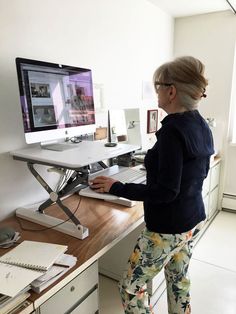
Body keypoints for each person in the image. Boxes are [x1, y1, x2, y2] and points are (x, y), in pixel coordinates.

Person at [89, 56, 214, 314]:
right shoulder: (200, 123)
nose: (155, 90)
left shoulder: (171, 131)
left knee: (130, 288)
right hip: (192, 221)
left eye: (158, 85)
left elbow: (166, 191)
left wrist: (117, 187)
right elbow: (196, 172)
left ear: (171, 91)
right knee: (179, 281)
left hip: (165, 230)